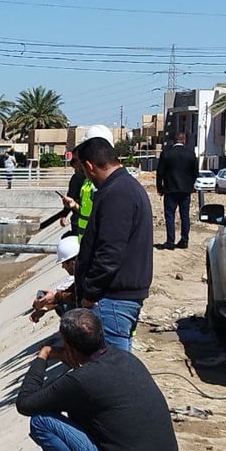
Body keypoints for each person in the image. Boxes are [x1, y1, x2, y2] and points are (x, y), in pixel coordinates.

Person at [14, 309, 178, 451]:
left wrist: (43, 356)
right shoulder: (125, 358)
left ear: (69, 347)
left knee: (42, 421)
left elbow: (25, 403)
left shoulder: (81, 380)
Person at [73, 136, 153, 352]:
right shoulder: (124, 187)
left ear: (89, 166)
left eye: (82, 169)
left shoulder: (118, 193)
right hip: (116, 299)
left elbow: (109, 252)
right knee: (118, 370)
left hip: (111, 301)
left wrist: (89, 294)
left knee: (113, 371)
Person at [60, 125, 112, 239]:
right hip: (84, 235)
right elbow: (87, 211)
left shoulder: (116, 188)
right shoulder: (85, 182)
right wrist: (71, 208)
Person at [156, 132, 199, 250]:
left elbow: (160, 172)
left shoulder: (166, 153)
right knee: (185, 215)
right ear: (184, 140)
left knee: (170, 216)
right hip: (185, 191)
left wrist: (159, 187)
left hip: (170, 190)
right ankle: (184, 240)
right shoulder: (191, 154)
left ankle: (170, 242)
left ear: (174, 141)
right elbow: (196, 173)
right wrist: (191, 185)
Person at [30, 236, 79, 322]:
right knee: (61, 302)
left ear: (72, 263)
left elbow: (78, 296)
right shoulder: (89, 270)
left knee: (65, 306)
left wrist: (55, 297)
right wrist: (45, 306)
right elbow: (71, 291)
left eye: (63, 263)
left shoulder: (90, 275)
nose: (63, 267)